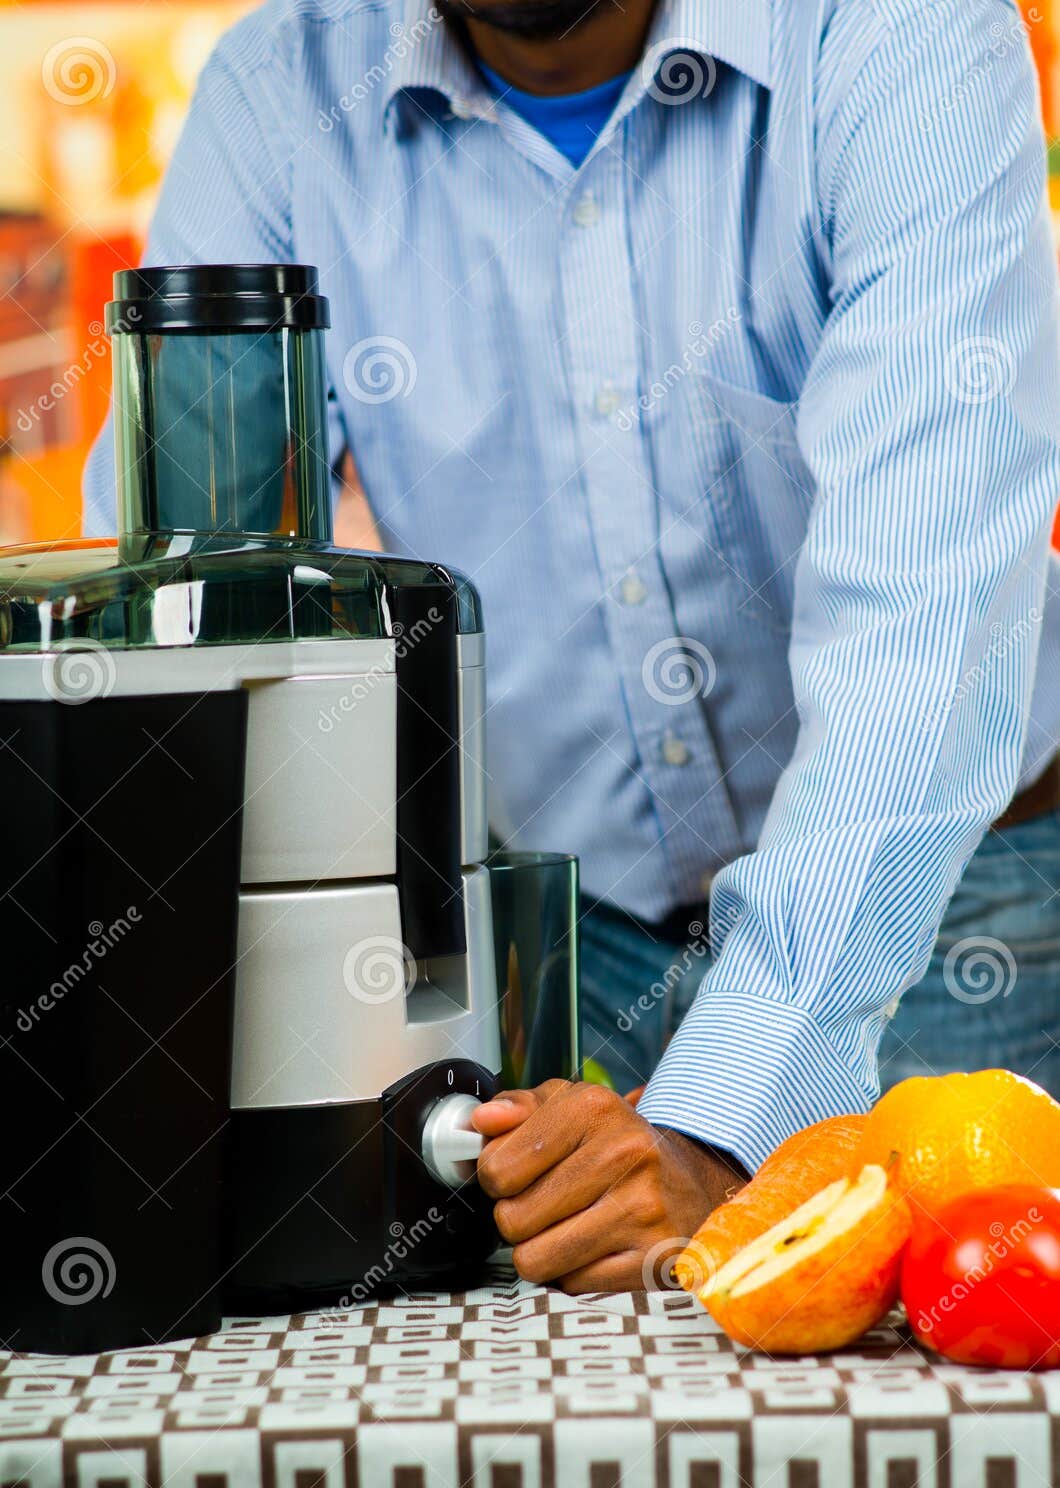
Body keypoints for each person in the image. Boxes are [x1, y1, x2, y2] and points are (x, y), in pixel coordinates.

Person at [85, 0, 1060, 1291]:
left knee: (961, 1429)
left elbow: (924, 630)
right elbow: (174, 631)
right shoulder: (283, 94)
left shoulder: (895, 37)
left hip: (951, 909)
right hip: (565, 950)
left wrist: (721, 1120)